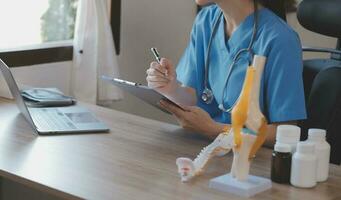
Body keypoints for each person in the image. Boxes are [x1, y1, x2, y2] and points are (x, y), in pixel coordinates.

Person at [146, 0, 306, 146]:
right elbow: (195, 97)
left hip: (250, 160)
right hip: (204, 148)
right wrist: (171, 89)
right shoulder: (206, 21)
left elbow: (286, 133)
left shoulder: (280, 40)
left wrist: (214, 129)